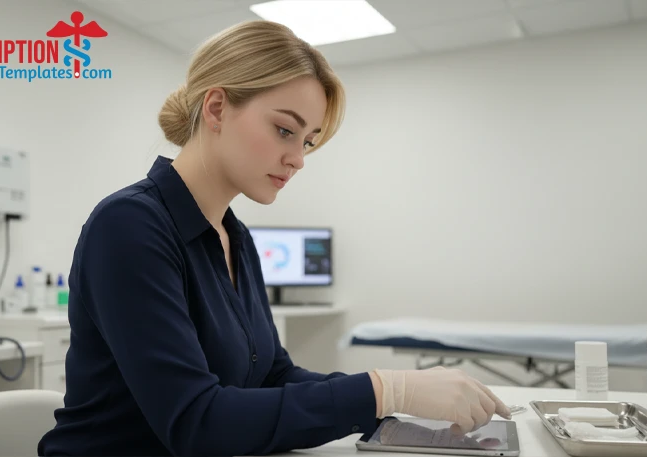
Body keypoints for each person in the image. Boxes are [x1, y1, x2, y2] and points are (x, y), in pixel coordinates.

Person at [37, 20, 511, 457]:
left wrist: (396, 409)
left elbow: (272, 375)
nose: (298, 159)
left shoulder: (235, 236)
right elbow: (195, 423)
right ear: (217, 107)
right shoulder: (129, 226)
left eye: (306, 140)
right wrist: (382, 389)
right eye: (285, 130)